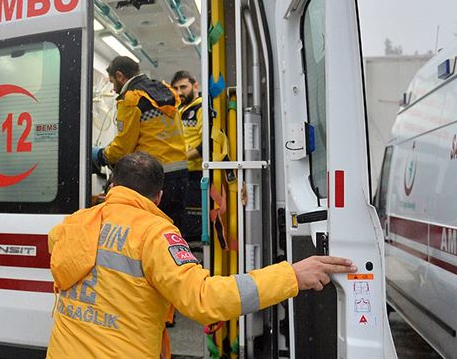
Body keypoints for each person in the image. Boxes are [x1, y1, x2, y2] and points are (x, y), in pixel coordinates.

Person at [47, 152, 357, 358]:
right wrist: (290, 276)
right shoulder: (154, 234)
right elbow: (204, 300)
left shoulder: (74, 224)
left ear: (112, 186)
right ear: (159, 196)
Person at [92, 56, 189, 233]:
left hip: (154, 176)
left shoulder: (132, 98)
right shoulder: (164, 90)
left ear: (120, 76)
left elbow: (123, 147)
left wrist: (101, 155)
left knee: (150, 233)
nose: (113, 89)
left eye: (113, 82)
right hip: (180, 173)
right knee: (174, 231)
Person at [171, 70, 203, 242]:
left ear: (195, 86)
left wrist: (183, 158)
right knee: (180, 223)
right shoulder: (178, 110)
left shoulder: (201, 107)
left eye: (183, 87)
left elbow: (207, 144)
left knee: (193, 227)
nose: (179, 92)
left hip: (196, 175)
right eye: (175, 88)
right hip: (180, 174)